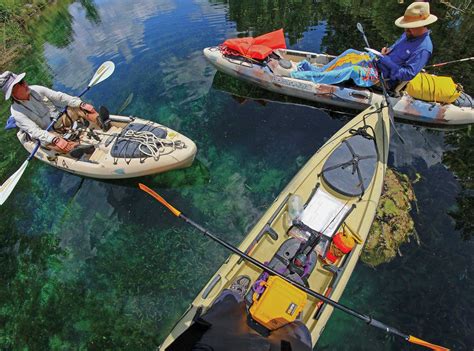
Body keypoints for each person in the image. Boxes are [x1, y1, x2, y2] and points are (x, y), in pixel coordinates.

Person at [0, 71, 102, 153]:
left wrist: (80, 104)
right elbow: (35, 131)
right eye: (20, 83)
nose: (25, 83)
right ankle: (77, 148)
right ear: (13, 92)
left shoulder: (36, 89)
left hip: (58, 122)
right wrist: (55, 139)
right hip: (46, 133)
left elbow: (60, 97)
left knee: (76, 107)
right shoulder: (17, 112)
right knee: (50, 141)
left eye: (23, 80)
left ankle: (101, 121)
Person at [377, 1, 438, 89]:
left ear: (423, 25)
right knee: (351, 52)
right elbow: (395, 47)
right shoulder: (409, 33)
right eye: (406, 25)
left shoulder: (424, 48)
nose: (406, 29)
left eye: (411, 26)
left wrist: (388, 62)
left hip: (384, 78)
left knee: (352, 70)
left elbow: (408, 74)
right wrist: (387, 51)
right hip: (378, 65)